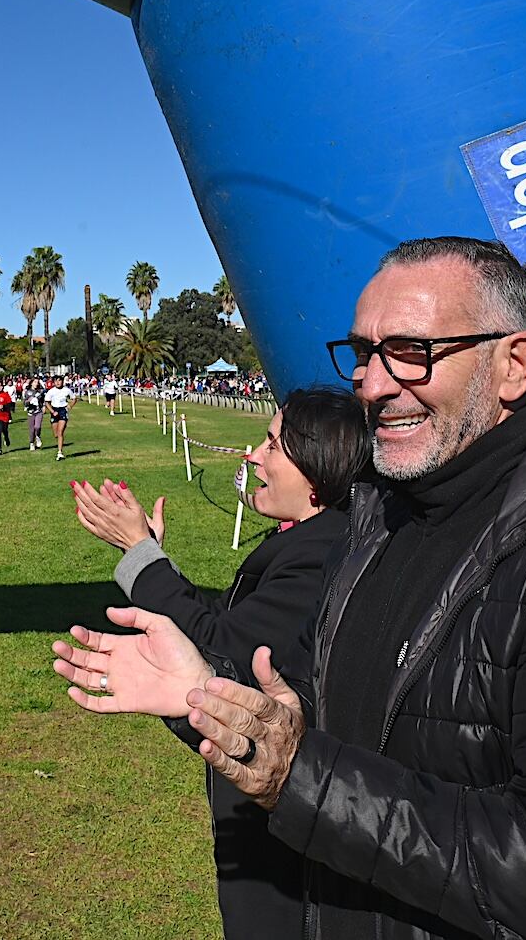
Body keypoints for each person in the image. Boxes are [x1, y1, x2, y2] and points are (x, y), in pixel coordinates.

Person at [53, 236, 526, 938]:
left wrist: (299, 778)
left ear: (514, 364)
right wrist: (204, 690)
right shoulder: (381, 515)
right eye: (364, 353)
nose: (375, 384)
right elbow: (323, 711)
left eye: (413, 351)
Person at [63, 388, 369, 938]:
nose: (253, 455)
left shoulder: (320, 553)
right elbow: (232, 625)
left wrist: (141, 554)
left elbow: (223, 649)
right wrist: (154, 558)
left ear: (317, 473)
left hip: (283, 845)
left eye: (272, 445)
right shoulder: (310, 539)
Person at [43, 375, 74, 460]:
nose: (58, 382)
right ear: (54, 382)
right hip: (54, 411)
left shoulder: (67, 390)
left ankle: (59, 452)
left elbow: (74, 398)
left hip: (63, 410)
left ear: (62, 381)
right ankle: (59, 442)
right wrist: (52, 411)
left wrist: (70, 406)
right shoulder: (51, 391)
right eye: (56, 381)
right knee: (56, 434)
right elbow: (47, 402)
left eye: (59, 380)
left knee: (60, 432)